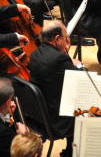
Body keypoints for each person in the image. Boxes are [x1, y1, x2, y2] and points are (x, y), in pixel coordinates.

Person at [29, 20, 82, 157]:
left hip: (37, 115)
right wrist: (78, 65)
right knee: (85, 110)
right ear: (57, 39)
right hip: (54, 122)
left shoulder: (36, 54)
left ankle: (70, 151)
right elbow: (79, 80)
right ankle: (72, 152)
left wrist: (66, 57)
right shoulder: (59, 59)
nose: (67, 40)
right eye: (66, 38)